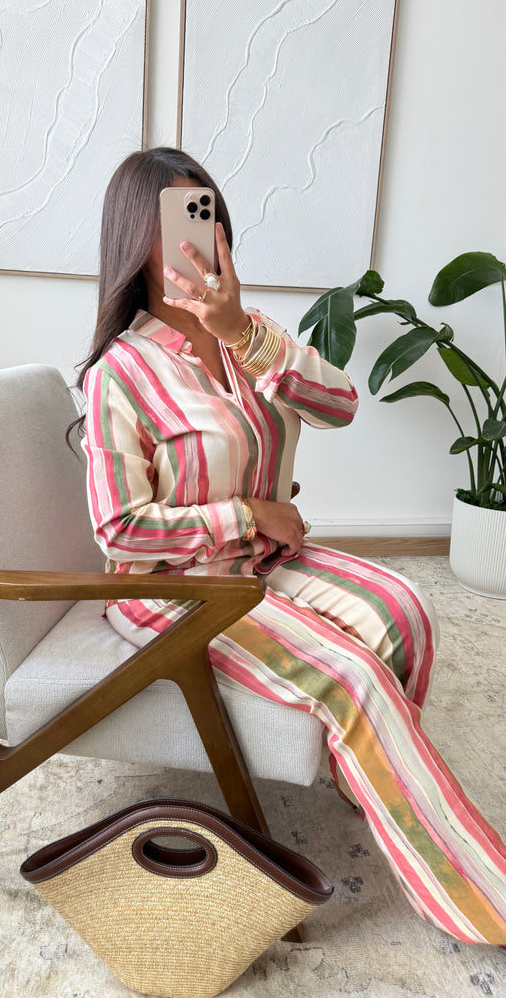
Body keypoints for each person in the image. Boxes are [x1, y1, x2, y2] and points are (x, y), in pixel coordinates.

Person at [74, 147, 505, 946]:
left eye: (208, 216)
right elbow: (121, 529)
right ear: (137, 240)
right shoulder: (118, 374)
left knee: (407, 611)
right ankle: (480, 895)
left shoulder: (251, 337)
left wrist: (241, 333)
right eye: (178, 221)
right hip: (176, 587)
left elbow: (340, 405)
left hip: (266, 561)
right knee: (351, 676)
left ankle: (369, 776)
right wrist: (247, 515)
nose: (199, 239)